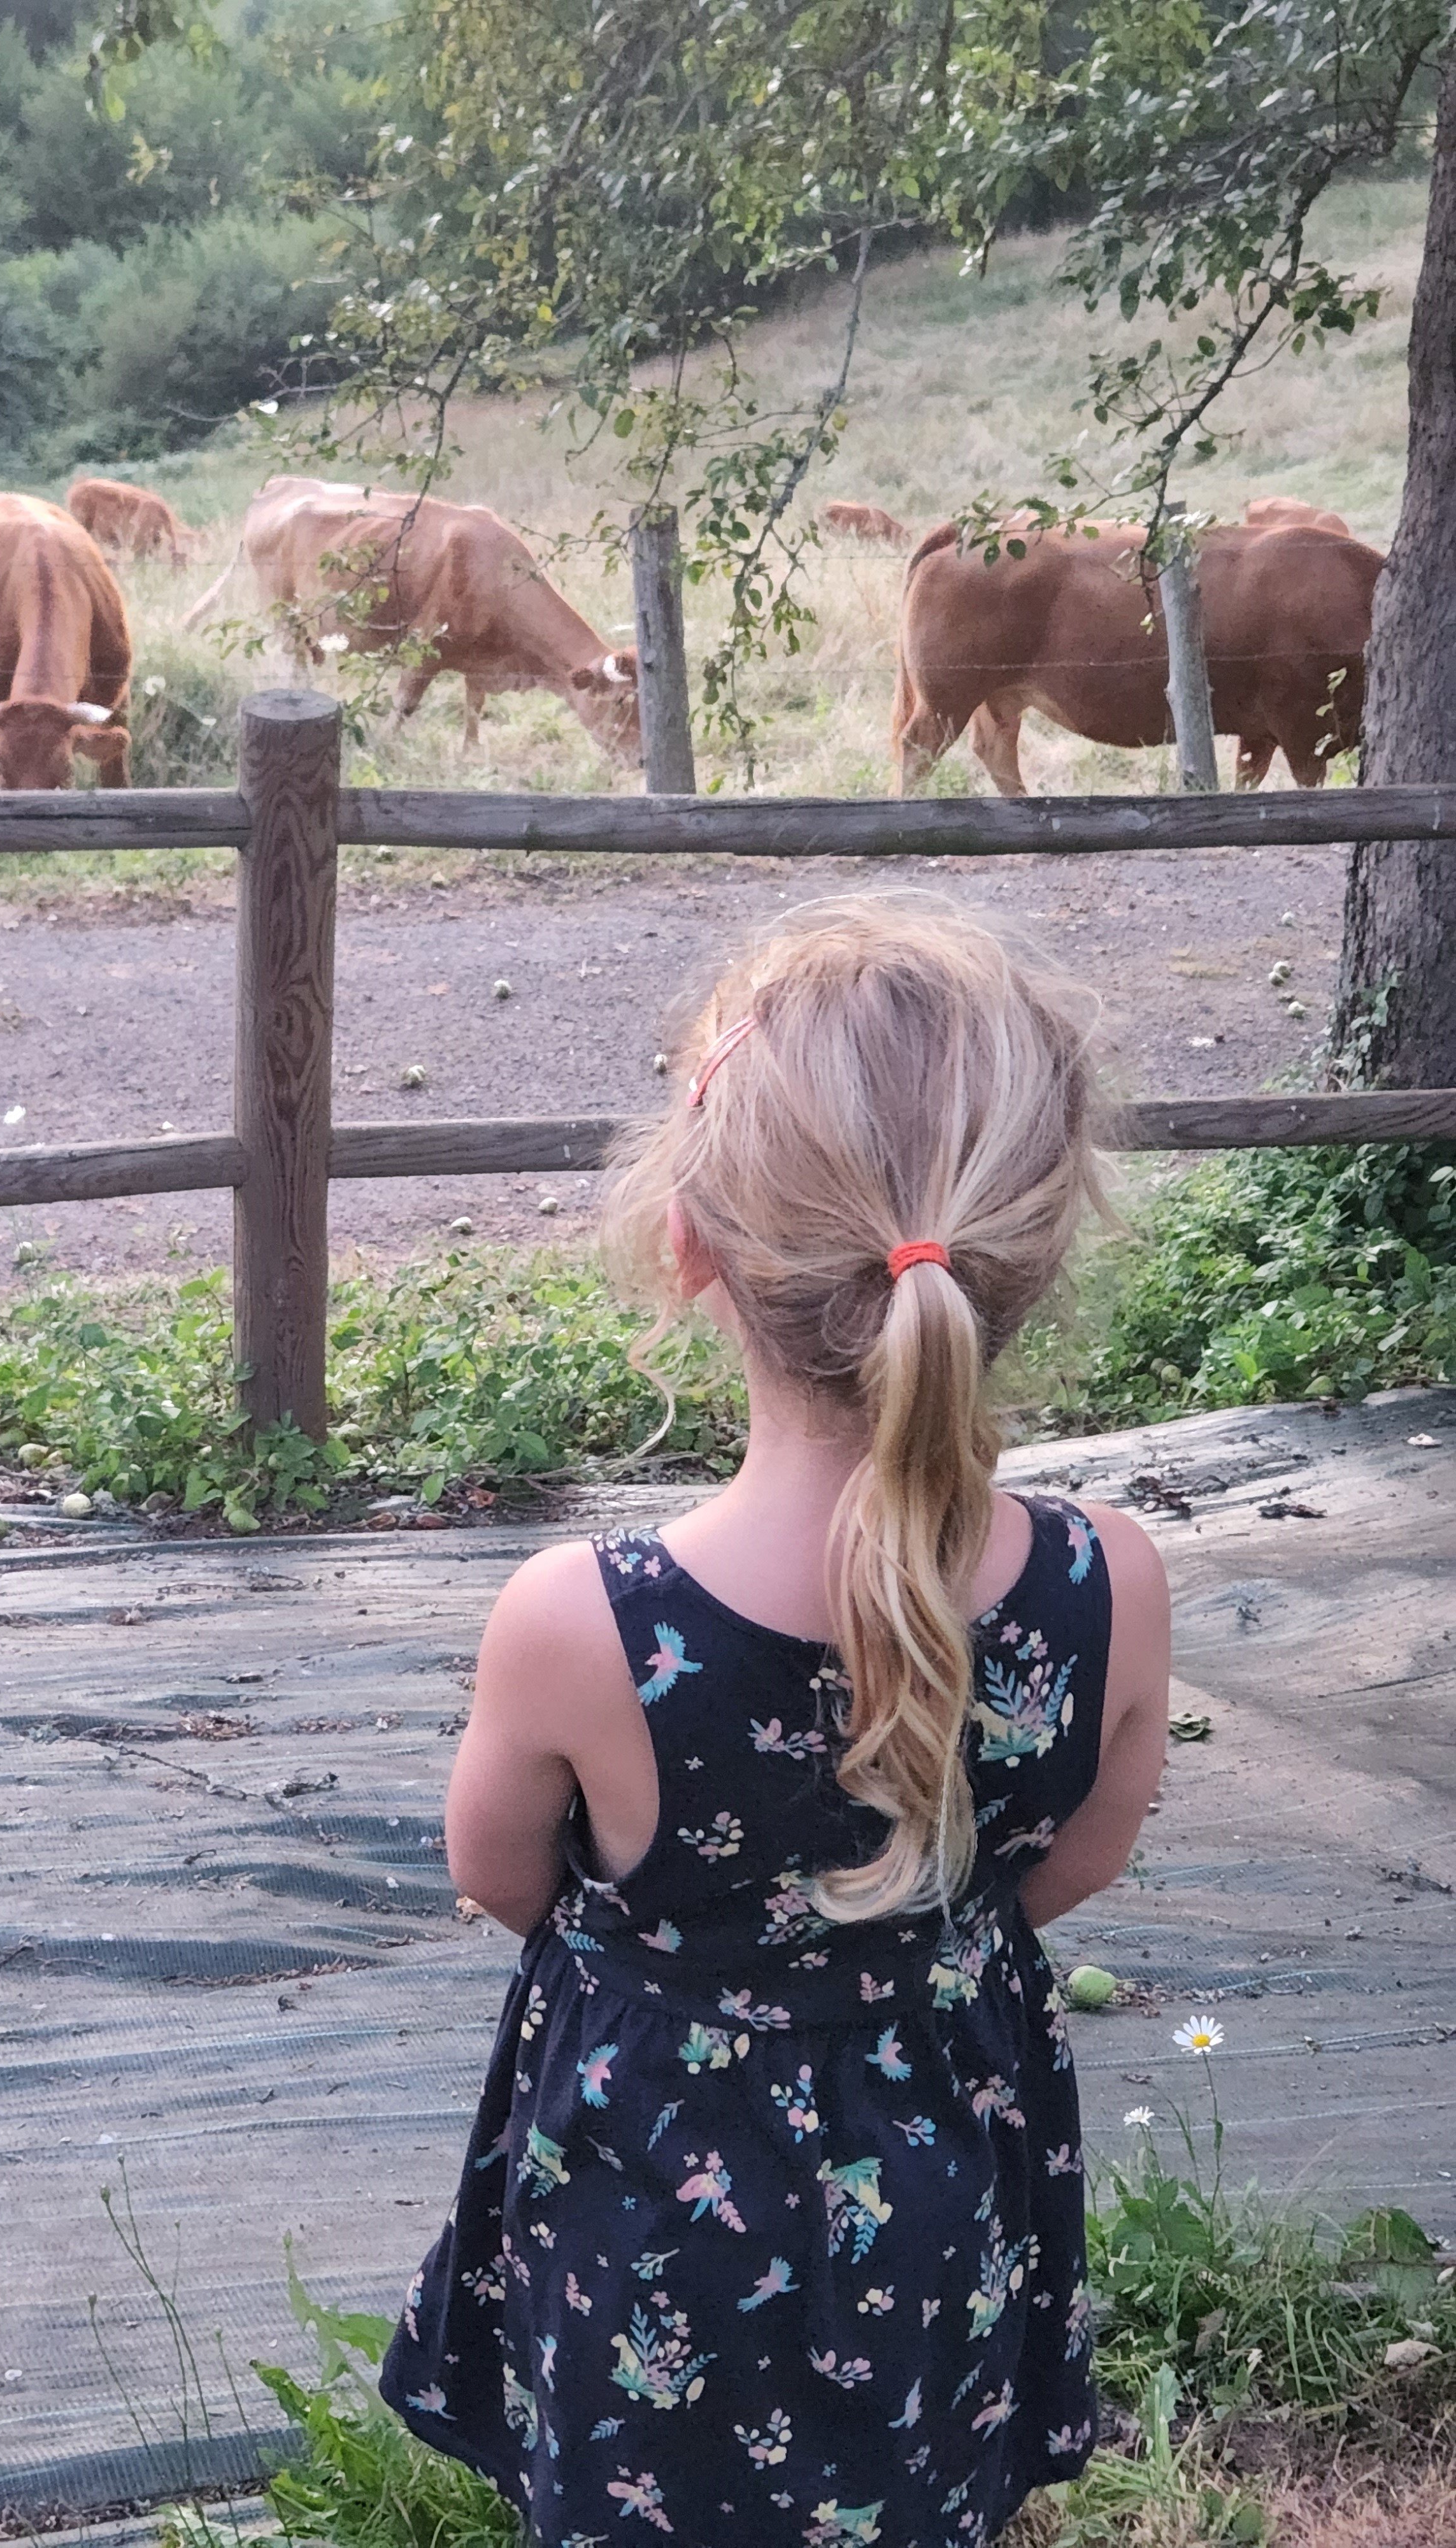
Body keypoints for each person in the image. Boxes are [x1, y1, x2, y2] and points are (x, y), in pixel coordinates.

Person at [380, 899, 1171, 2547]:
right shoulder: (1112, 1583)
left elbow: (498, 1874)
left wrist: (704, 1968)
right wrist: (904, 1953)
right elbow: (1083, 1853)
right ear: (1036, 1252)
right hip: (945, 2167)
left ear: (688, 1242)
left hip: (652, 2199)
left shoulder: (581, 1624)